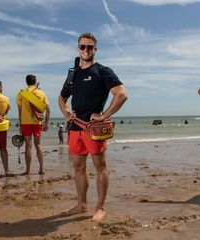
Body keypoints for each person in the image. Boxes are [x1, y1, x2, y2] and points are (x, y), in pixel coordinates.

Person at [58, 32, 128, 222]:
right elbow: (62, 98)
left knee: (100, 167)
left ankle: (100, 207)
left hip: (93, 129)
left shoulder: (102, 71)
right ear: (78, 48)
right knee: (78, 167)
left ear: (95, 49)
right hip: (75, 129)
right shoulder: (73, 74)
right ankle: (81, 204)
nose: (86, 50)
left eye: (90, 47)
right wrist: (66, 113)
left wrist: (104, 115)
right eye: (83, 47)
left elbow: (121, 94)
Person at [16, 74, 50, 175]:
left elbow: (20, 111)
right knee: (38, 145)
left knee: (28, 147)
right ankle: (41, 169)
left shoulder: (21, 93)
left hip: (26, 122)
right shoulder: (41, 93)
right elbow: (48, 110)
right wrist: (46, 123)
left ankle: (28, 171)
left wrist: (21, 124)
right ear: (35, 82)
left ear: (26, 82)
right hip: (37, 122)